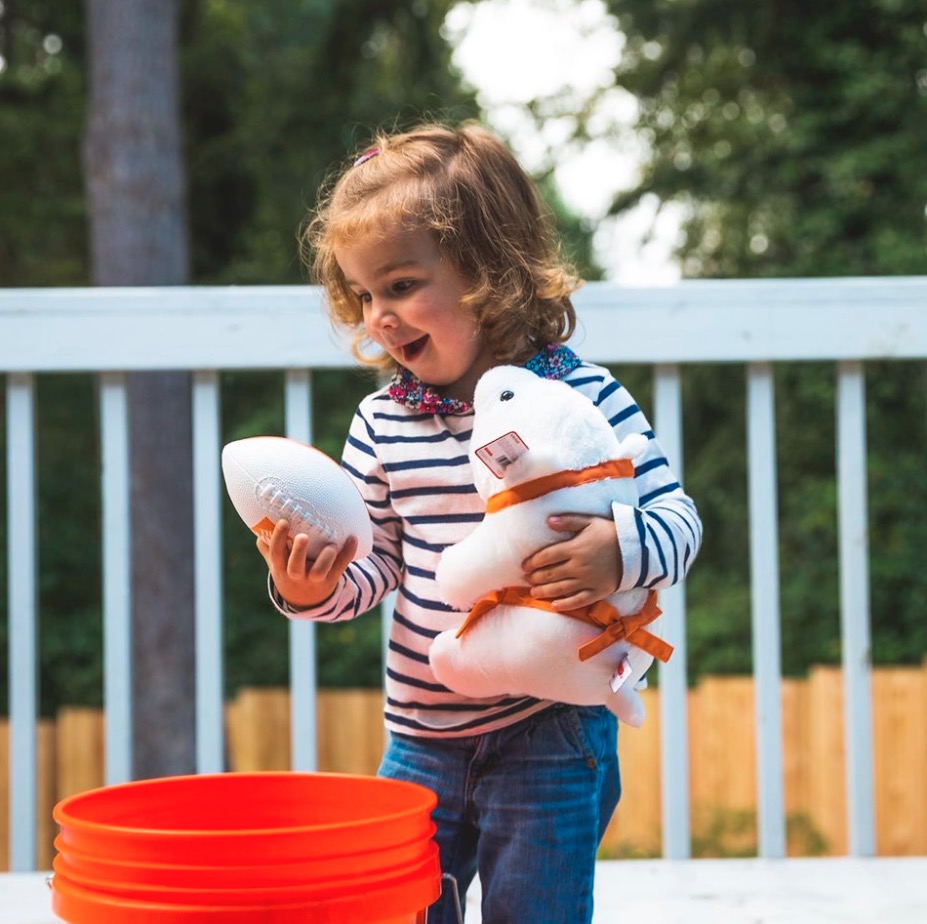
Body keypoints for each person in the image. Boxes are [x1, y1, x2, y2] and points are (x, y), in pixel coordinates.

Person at [258, 122, 701, 924]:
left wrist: (616, 551)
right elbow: (375, 568)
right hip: (420, 735)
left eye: (399, 285)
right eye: (363, 295)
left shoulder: (581, 398)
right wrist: (308, 586)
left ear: (488, 271)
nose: (380, 316)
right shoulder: (382, 422)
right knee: (402, 910)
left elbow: (677, 518)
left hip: (550, 730)